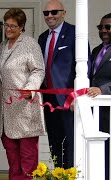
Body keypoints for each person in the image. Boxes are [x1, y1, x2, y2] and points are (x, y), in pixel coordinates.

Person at [0, 8, 46, 179]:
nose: (8, 29)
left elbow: (38, 70)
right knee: (13, 160)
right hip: (7, 111)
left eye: (13, 26)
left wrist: (31, 88)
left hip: (25, 109)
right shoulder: (2, 46)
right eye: (6, 25)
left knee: (28, 160)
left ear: (22, 27)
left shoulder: (30, 44)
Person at [38, 0, 76, 168]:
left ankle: (70, 175)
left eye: (54, 12)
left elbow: (84, 67)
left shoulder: (74, 33)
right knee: (54, 140)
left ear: (64, 13)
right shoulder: (42, 37)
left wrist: (77, 95)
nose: (50, 16)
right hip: (47, 98)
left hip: (69, 99)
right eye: (46, 13)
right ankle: (59, 173)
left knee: (70, 141)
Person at [87, 13, 111, 180]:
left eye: (108, 27)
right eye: (100, 27)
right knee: (100, 151)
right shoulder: (96, 50)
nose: (103, 30)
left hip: (108, 109)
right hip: (95, 111)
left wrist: (103, 90)